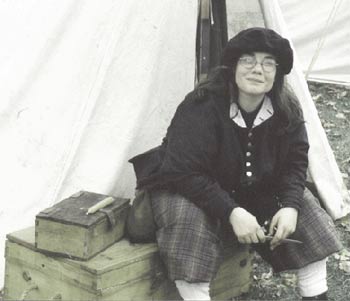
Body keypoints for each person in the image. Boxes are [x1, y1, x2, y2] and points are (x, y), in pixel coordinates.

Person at [129, 27, 342, 300]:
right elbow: (183, 171)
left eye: (268, 63)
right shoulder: (201, 105)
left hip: (247, 188)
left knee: (303, 206)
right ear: (233, 66)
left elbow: (295, 162)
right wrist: (233, 212)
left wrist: (289, 206)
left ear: (277, 72)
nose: (258, 69)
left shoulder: (286, 108)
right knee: (188, 224)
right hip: (185, 187)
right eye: (248, 60)